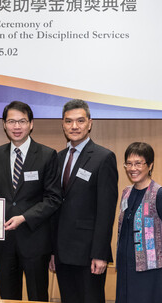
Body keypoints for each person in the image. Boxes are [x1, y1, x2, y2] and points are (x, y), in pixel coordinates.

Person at [0, 101, 61, 301]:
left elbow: (53, 198)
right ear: (4, 124)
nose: (17, 126)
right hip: (4, 242)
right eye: (11, 121)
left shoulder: (47, 155)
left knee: (37, 297)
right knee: (8, 297)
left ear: (31, 124)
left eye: (22, 121)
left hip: (35, 241)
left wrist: (24, 217)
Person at [50, 99, 118, 303]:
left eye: (80, 121)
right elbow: (54, 206)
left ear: (90, 123)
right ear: (62, 124)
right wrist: (52, 251)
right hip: (62, 253)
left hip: (89, 254)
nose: (74, 126)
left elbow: (106, 211)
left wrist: (100, 253)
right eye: (69, 121)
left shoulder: (103, 157)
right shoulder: (58, 158)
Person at [116, 142, 162, 303]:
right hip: (126, 265)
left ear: (150, 165)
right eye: (128, 163)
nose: (132, 168)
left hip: (150, 269)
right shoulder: (126, 192)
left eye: (138, 163)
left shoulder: (160, 195)